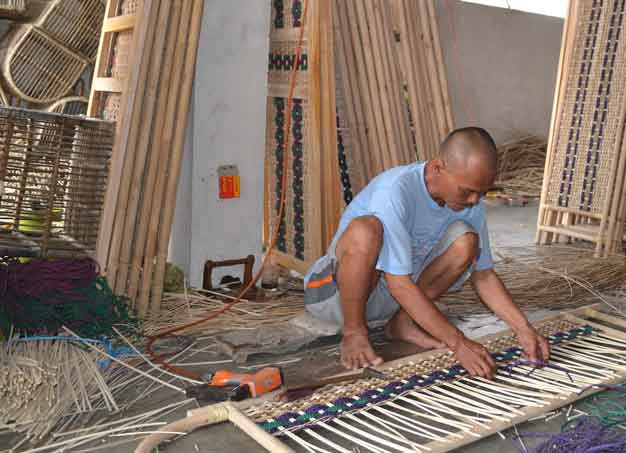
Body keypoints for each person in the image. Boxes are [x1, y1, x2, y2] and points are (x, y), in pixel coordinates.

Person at [304, 127, 550, 377]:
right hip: (335, 296)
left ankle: (402, 322)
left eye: (482, 192)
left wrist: (523, 328)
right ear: (437, 168)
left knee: (466, 240)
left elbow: (483, 275)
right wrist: (458, 343)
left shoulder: (469, 203)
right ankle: (354, 331)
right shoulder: (395, 191)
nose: (475, 200)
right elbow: (399, 283)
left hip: (390, 300)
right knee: (366, 230)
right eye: (467, 191)